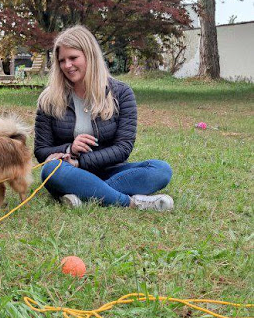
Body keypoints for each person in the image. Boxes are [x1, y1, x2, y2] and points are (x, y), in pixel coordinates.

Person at [34, 25, 173, 210]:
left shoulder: (121, 93)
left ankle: (85, 194)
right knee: (51, 170)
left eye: (73, 58)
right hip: (69, 172)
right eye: (62, 60)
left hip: (110, 171)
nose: (67, 65)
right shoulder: (49, 98)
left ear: (90, 55)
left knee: (161, 170)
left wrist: (80, 161)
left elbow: (123, 148)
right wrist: (70, 148)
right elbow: (41, 151)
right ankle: (130, 203)